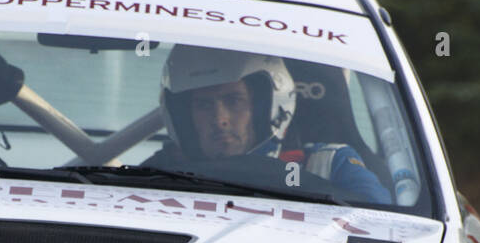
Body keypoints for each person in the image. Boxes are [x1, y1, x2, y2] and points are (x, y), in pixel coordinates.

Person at [151, 44, 392, 204]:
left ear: (268, 105)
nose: (220, 119)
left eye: (234, 101)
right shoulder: (160, 173)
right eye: (203, 105)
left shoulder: (328, 165)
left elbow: (384, 225)